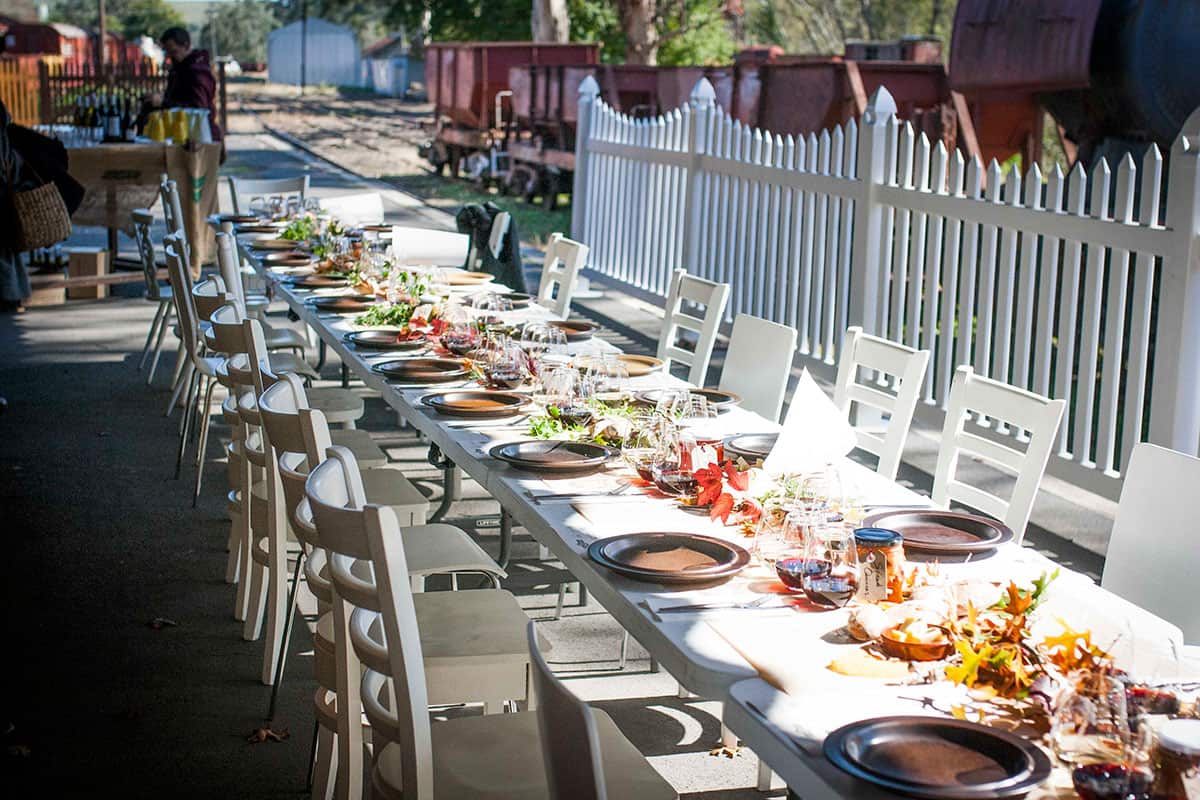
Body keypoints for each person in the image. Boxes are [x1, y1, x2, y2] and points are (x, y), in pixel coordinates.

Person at [145, 27, 222, 141]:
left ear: (185, 46)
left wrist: (164, 102)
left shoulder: (196, 72)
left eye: (173, 52)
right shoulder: (181, 69)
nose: (170, 57)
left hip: (199, 137)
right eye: (167, 53)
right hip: (185, 134)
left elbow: (198, 108)